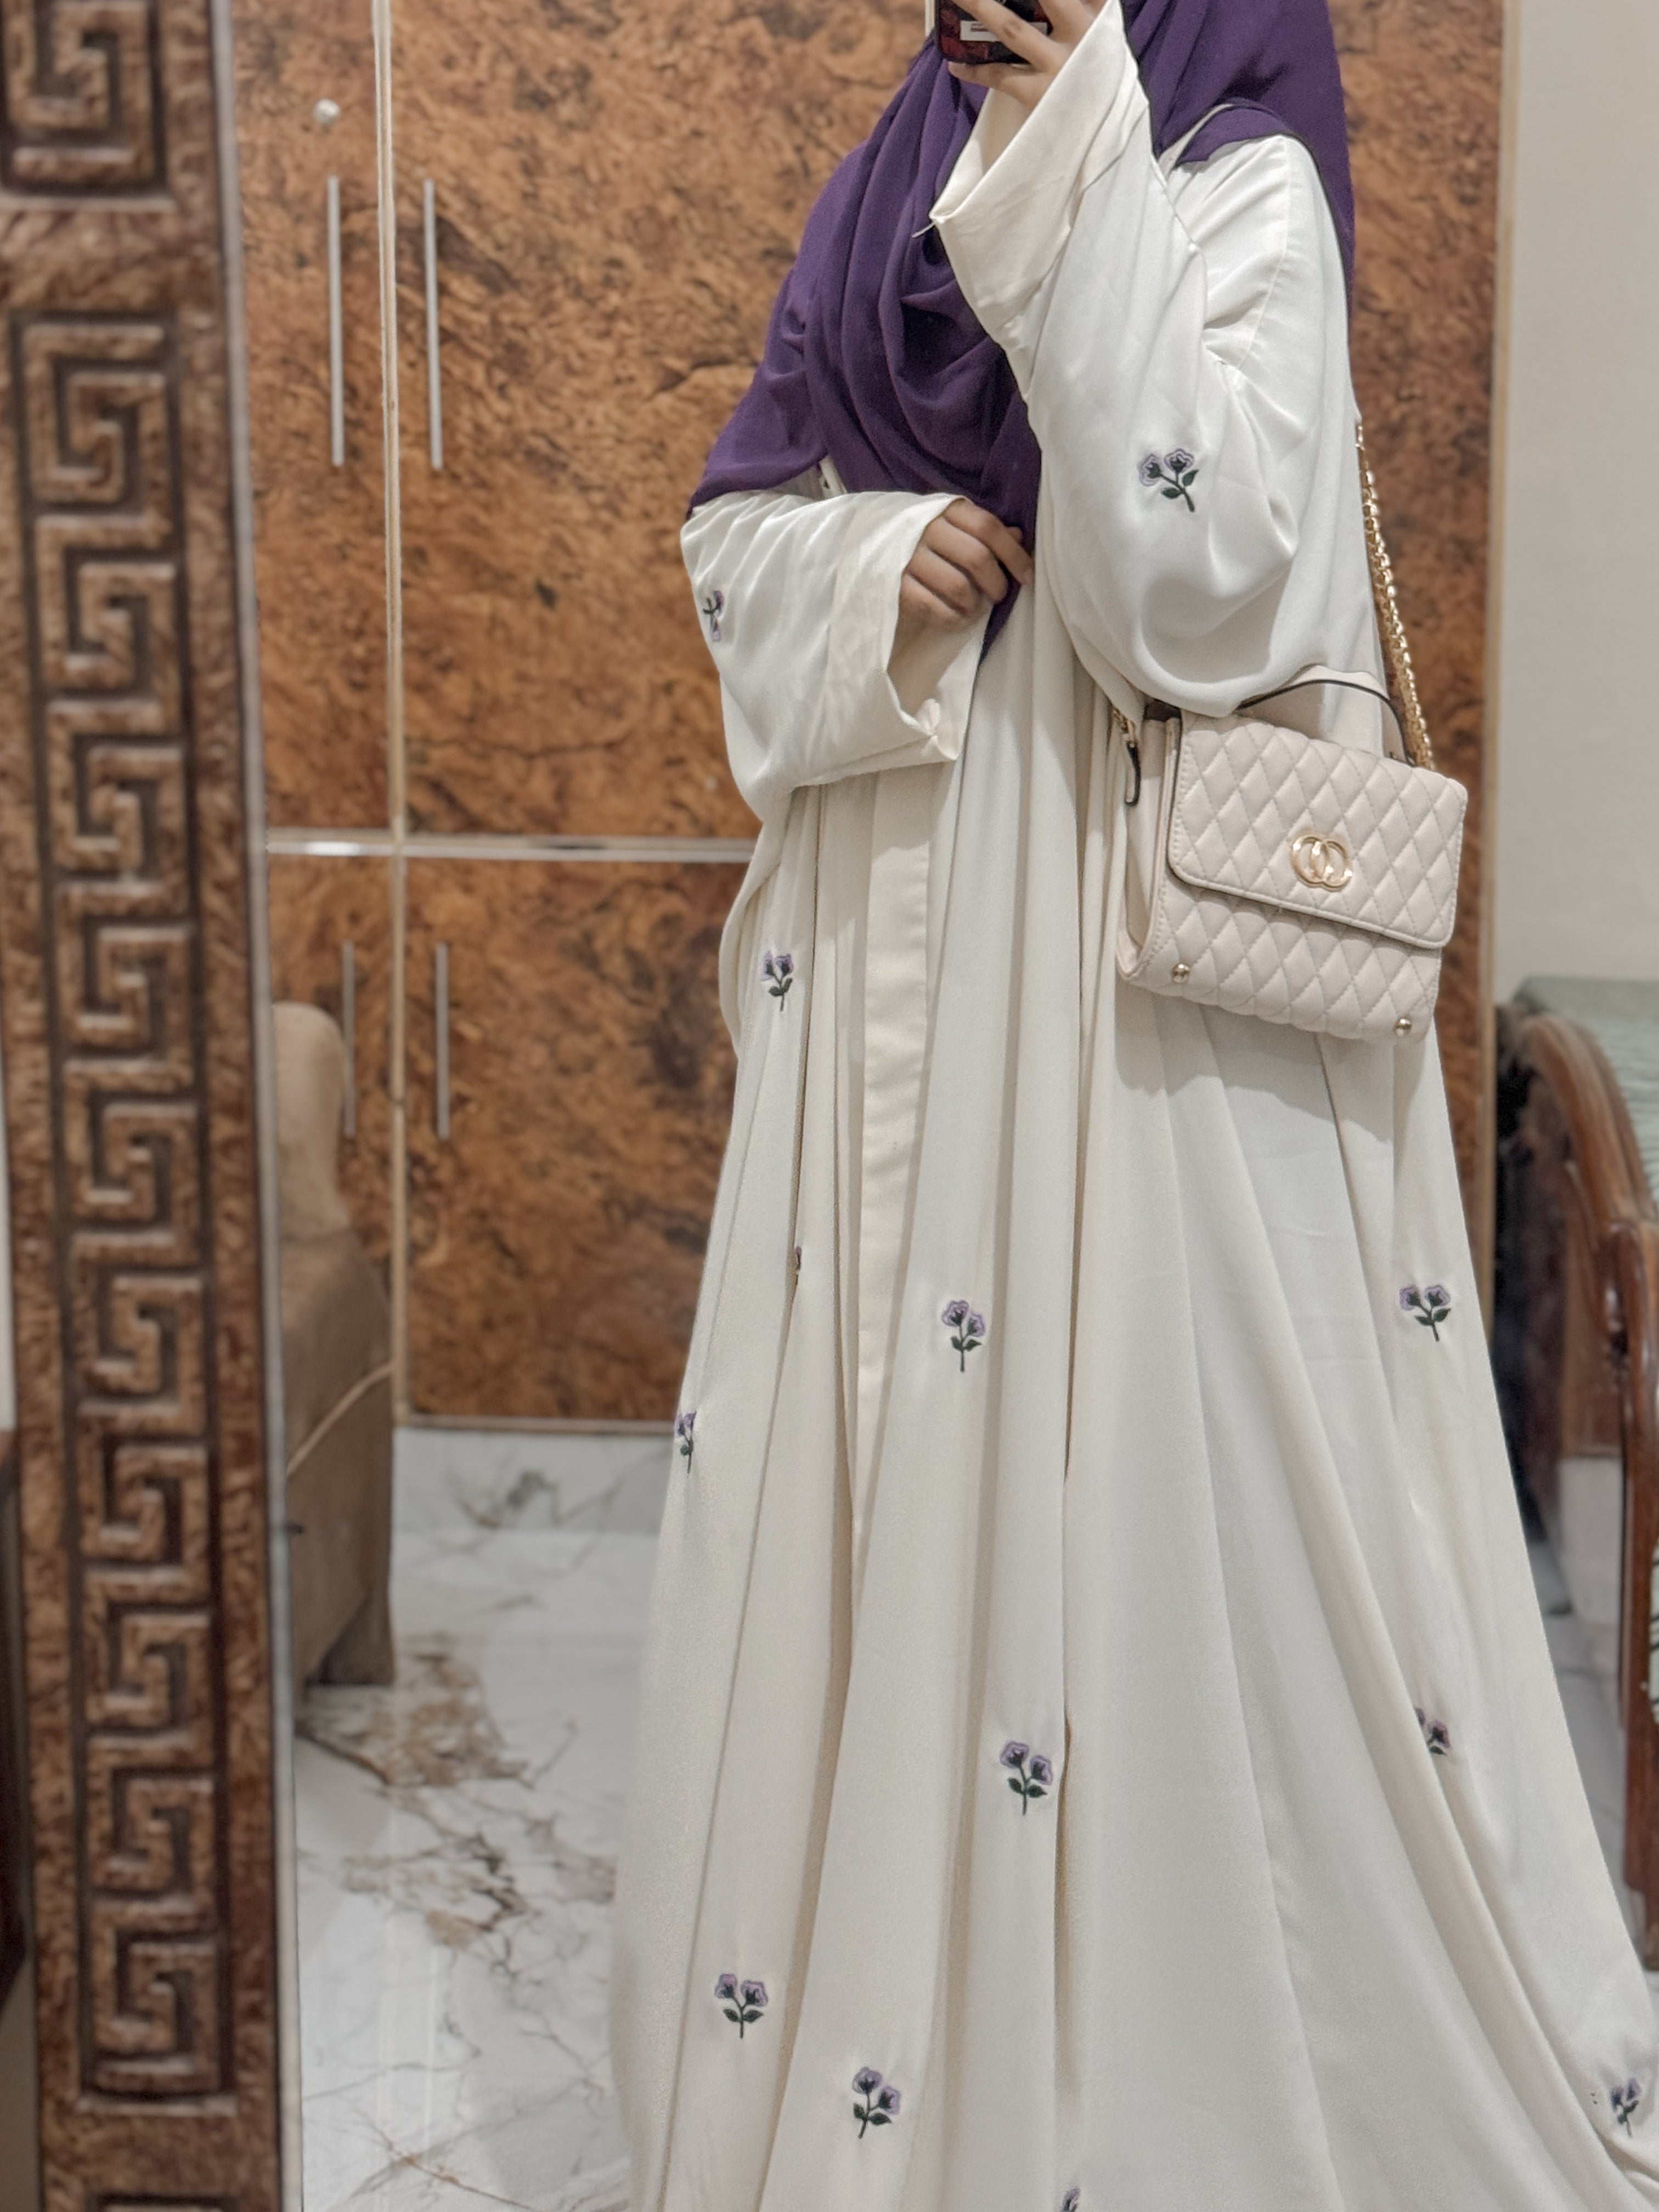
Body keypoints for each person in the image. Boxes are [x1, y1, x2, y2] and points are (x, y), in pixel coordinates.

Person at [611, 2, 1659, 2204]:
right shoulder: (886, 193)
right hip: (895, 961)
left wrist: (1072, 151)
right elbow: (733, 535)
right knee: (898, 1492)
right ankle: (898, 2042)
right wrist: (870, 566)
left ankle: (1139, 2083)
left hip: (1123, 1017)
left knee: (1141, 1490)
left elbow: (1197, 582)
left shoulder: (1238, 176)